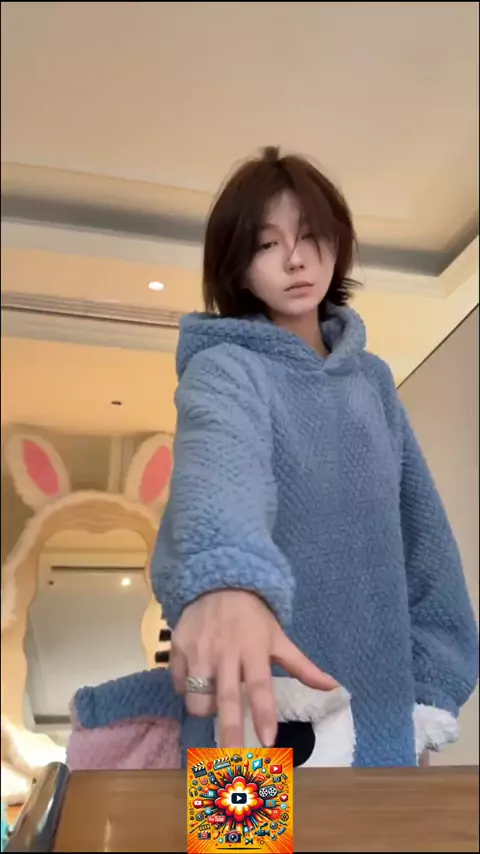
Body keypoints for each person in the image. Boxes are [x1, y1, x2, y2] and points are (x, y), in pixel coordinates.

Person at [150, 147, 478, 767]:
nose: (295, 259)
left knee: (381, 826)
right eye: (266, 244)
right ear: (237, 265)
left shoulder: (372, 381)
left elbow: (426, 544)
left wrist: (430, 697)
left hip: (382, 723)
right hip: (253, 717)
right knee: (238, 825)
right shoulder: (224, 370)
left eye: (310, 236)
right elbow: (219, 471)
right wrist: (225, 577)